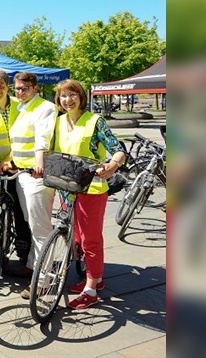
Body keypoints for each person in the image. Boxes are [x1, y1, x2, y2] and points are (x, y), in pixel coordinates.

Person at [53, 79, 125, 309]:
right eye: (63, 96)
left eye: (72, 94)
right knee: (76, 238)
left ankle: (91, 289)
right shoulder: (58, 122)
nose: (67, 100)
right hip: (67, 188)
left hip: (92, 189)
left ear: (81, 96)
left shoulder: (95, 121)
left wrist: (112, 166)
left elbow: (118, 150)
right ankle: (96, 278)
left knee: (90, 240)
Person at [0, 72, 58, 299]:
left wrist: (39, 163)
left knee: (41, 228)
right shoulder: (21, 108)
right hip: (21, 173)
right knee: (31, 224)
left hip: (36, 176)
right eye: (17, 89)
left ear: (35, 88)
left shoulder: (44, 108)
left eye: (24, 88)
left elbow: (42, 138)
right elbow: (19, 141)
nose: (19, 92)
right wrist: (10, 162)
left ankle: (43, 281)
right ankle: (33, 265)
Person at [0, 71, 31, 267]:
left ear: (7, 87)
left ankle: (23, 249)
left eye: (0, 86)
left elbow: (24, 136)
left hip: (17, 165)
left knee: (21, 209)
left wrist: (10, 160)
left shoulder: (20, 106)